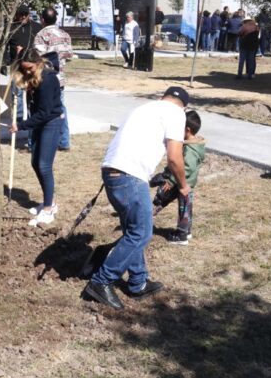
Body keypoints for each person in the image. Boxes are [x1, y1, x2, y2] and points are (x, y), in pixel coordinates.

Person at [83, 86, 190, 310]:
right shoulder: (177, 114)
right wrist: (183, 185)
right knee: (141, 233)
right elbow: (174, 157)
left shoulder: (146, 107)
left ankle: (137, 282)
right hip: (130, 176)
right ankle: (101, 281)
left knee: (134, 230)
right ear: (184, 107)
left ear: (164, 97)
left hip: (112, 172)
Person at [11, 50, 66, 226]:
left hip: (51, 122)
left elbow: (45, 112)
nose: (27, 72)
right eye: (24, 69)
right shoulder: (32, 78)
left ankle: (49, 209)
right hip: (39, 123)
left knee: (44, 165)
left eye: (30, 68)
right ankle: (49, 201)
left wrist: (21, 125)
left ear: (38, 64)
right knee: (35, 163)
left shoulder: (48, 79)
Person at [151, 109, 205, 245]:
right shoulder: (193, 144)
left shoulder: (192, 149)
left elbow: (186, 168)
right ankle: (187, 231)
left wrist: (171, 180)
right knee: (185, 206)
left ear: (187, 130)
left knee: (183, 207)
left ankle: (181, 235)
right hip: (183, 182)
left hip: (183, 183)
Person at [34, 6, 74, 150]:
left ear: (42, 20)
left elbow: (39, 58)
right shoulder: (64, 34)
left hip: (46, 79)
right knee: (61, 108)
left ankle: (40, 141)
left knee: (42, 109)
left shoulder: (41, 35)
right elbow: (69, 56)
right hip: (60, 78)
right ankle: (64, 141)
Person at [7, 5, 42, 119]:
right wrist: (6, 62)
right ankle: (18, 118)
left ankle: (32, 117)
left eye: (25, 14)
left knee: (33, 92)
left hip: (32, 66)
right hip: (17, 65)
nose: (23, 17)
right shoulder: (11, 28)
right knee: (17, 92)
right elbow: (4, 47)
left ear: (29, 15)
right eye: (20, 14)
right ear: (16, 15)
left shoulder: (36, 27)